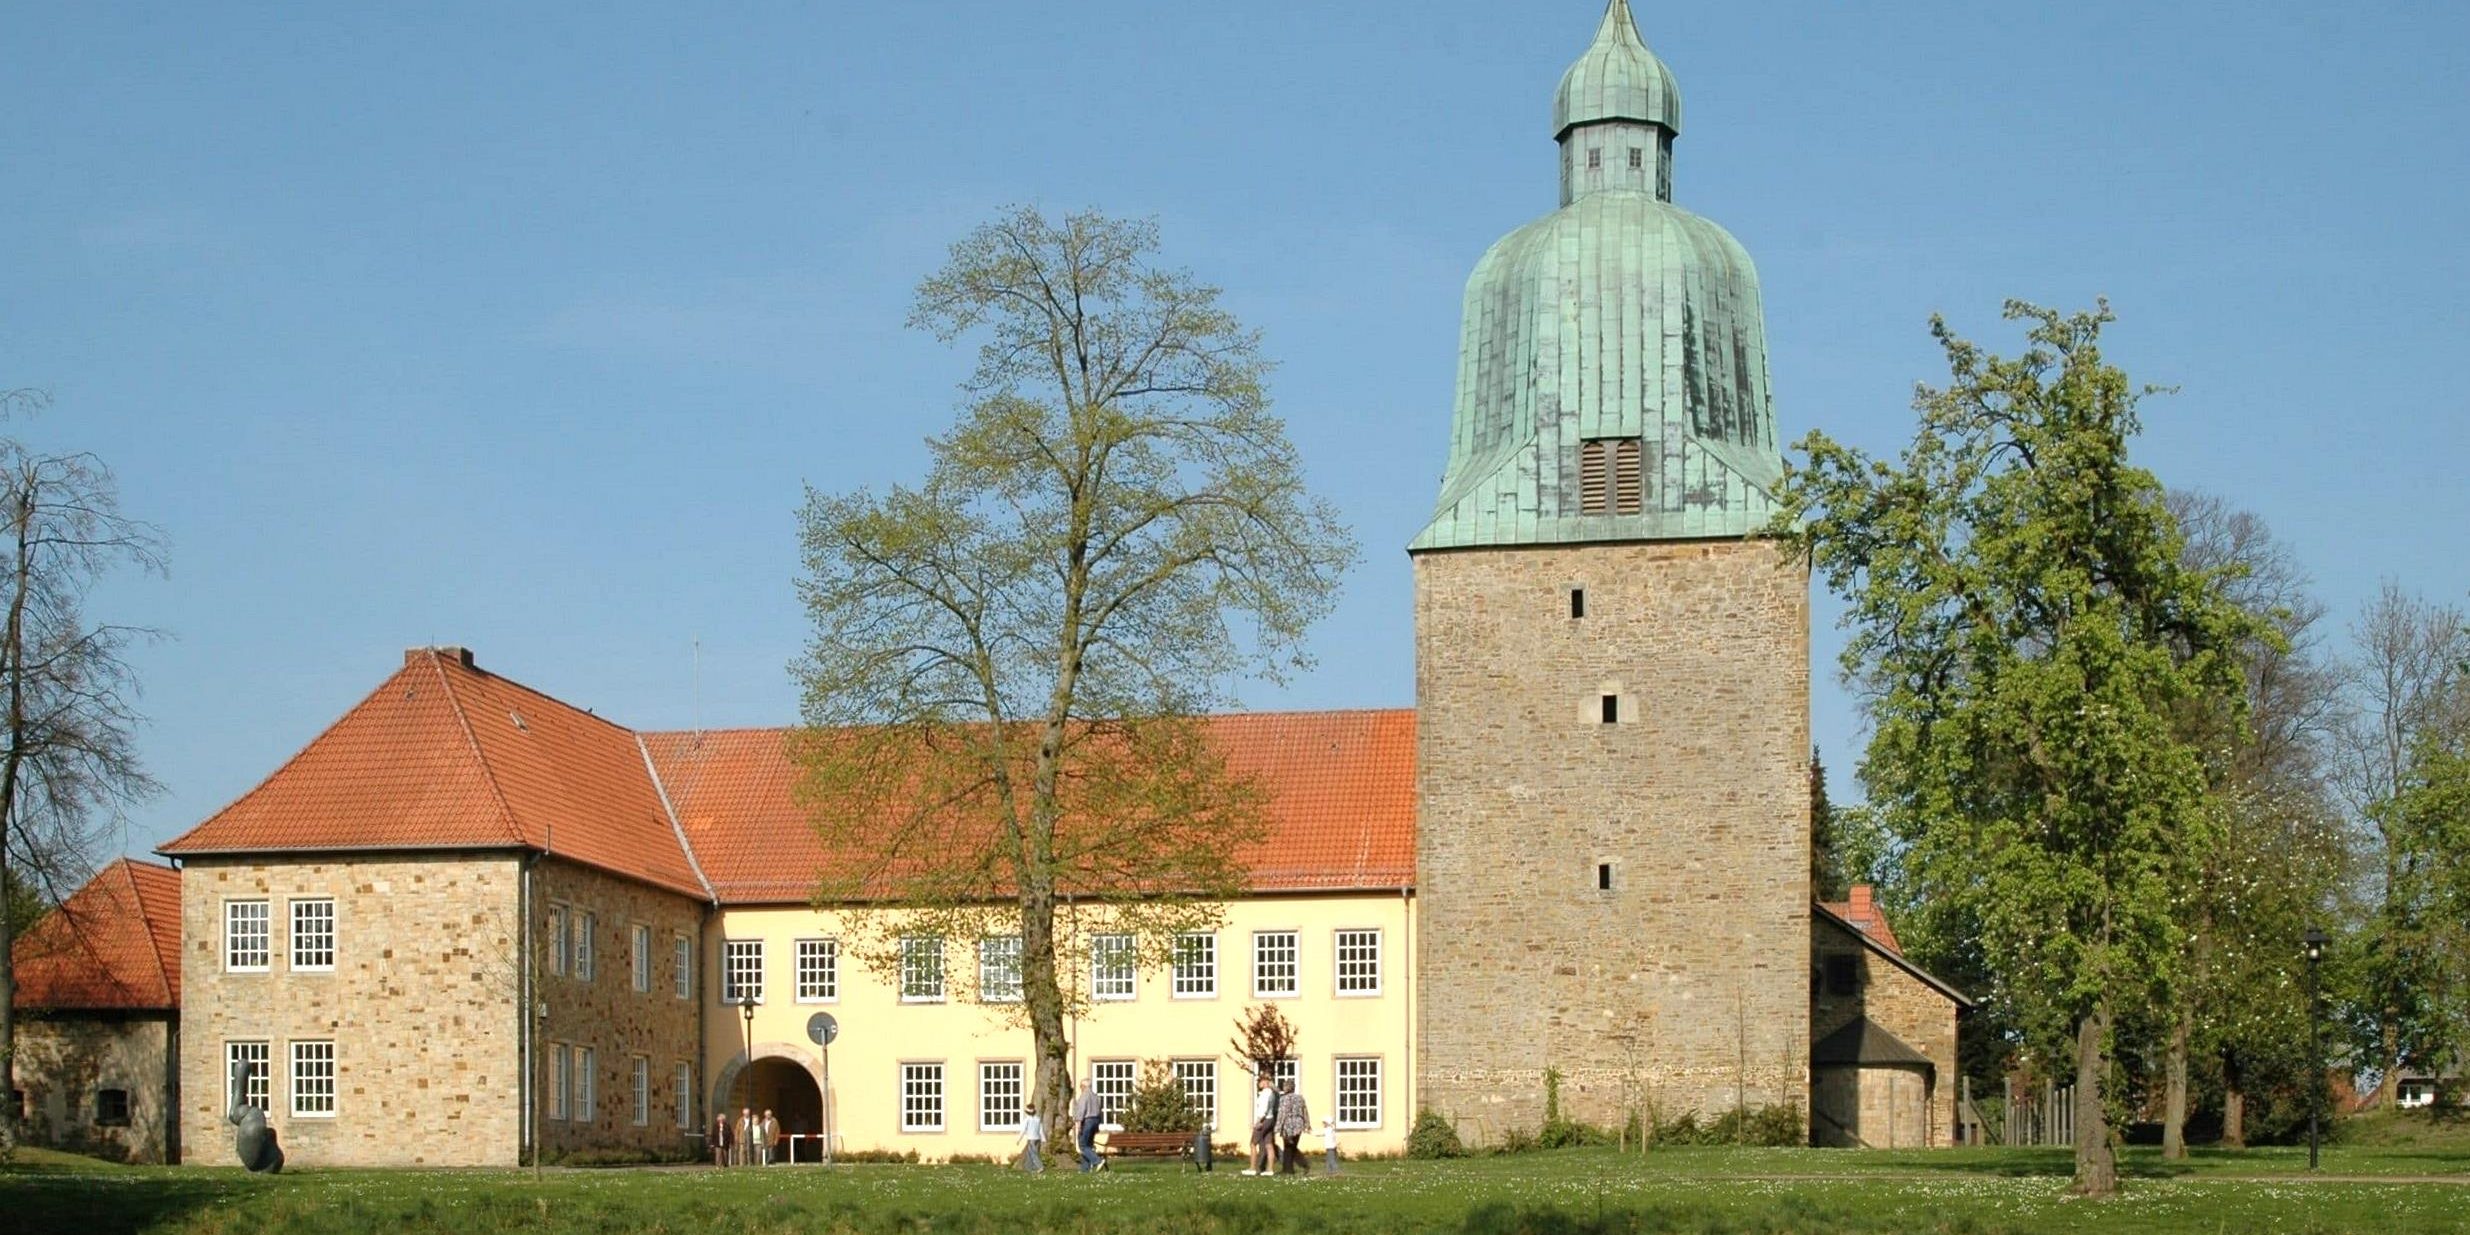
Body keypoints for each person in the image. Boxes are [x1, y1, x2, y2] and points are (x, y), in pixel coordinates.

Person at [1240, 1071, 1276, 1175]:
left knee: (1253, 1143)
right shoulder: (1272, 1093)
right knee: (1269, 1144)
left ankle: (1252, 1168)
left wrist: (1258, 1122)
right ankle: (1270, 1170)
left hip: (1264, 1120)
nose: (1258, 1083)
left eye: (1259, 1081)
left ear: (1264, 1081)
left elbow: (1263, 1109)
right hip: (1270, 1119)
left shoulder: (1265, 1093)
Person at [1070, 1076, 1106, 1172]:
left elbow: (1081, 1110)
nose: (1080, 1088)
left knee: (1082, 1146)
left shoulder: (1084, 1095)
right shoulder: (1096, 1096)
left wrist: (1078, 1123)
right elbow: (1099, 1111)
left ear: (1084, 1086)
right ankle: (1084, 1169)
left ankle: (1097, 1161)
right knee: (1088, 1145)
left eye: (1080, 1086)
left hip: (1087, 1121)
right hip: (1095, 1121)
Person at [1274, 1080, 1309, 1175]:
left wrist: (1277, 1127)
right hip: (1298, 1124)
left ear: (1286, 1088)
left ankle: (1290, 1169)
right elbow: (1305, 1111)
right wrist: (1307, 1124)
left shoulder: (1284, 1099)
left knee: (1288, 1147)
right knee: (1292, 1146)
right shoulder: (1300, 1098)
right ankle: (1291, 1168)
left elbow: (1282, 1113)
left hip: (1288, 1124)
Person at [1016, 1107, 1047, 1174]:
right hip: (1037, 1139)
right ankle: (1029, 1168)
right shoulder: (1038, 1119)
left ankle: (1040, 1167)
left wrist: (1018, 1140)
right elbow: (1041, 1130)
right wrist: (1043, 1139)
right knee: (1029, 1154)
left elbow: (1023, 1130)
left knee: (1033, 1154)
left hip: (1031, 1139)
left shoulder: (1027, 1120)